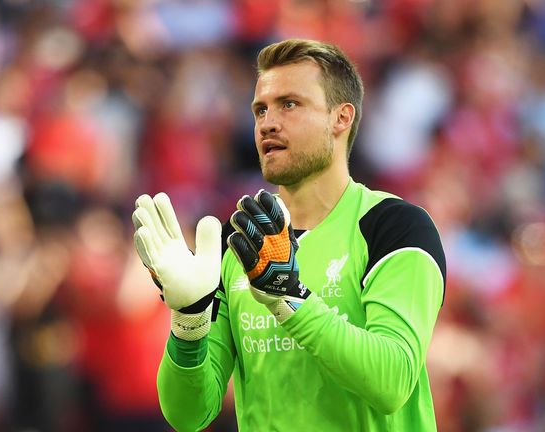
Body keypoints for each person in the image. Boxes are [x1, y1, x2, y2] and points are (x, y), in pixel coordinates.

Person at [132, 38, 446, 431]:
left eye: (290, 104)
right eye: (260, 109)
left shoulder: (394, 225)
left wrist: (289, 299)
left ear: (341, 118)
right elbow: (189, 414)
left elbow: (392, 381)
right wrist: (188, 322)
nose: (268, 122)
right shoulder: (243, 243)